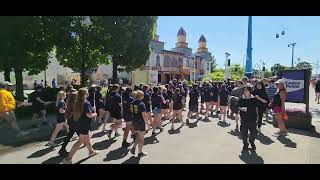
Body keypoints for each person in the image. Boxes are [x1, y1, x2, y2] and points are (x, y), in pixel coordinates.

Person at [63, 88, 99, 164]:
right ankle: (68, 159)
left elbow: (83, 111)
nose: (88, 93)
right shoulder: (86, 103)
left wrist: (91, 109)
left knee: (87, 138)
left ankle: (91, 151)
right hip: (84, 125)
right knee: (80, 141)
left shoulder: (77, 102)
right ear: (85, 94)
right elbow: (89, 115)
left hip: (79, 124)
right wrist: (95, 113)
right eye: (87, 92)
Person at [238, 86, 258, 152]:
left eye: (246, 90)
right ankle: (245, 144)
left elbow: (256, 108)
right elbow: (238, 106)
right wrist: (242, 108)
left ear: (250, 91)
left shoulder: (254, 98)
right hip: (244, 119)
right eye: (244, 90)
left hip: (252, 119)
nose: (245, 91)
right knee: (244, 134)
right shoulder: (241, 98)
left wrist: (257, 116)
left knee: (253, 133)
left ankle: (252, 142)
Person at [130, 90, 149, 157]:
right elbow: (144, 115)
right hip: (140, 122)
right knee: (141, 138)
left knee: (138, 135)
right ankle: (140, 152)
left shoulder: (132, 103)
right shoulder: (141, 104)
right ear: (141, 96)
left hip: (134, 121)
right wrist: (148, 124)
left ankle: (134, 147)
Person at [58, 90, 78, 157]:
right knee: (72, 135)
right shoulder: (74, 103)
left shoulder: (68, 102)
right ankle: (62, 149)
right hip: (74, 121)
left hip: (71, 121)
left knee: (70, 135)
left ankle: (62, 149)